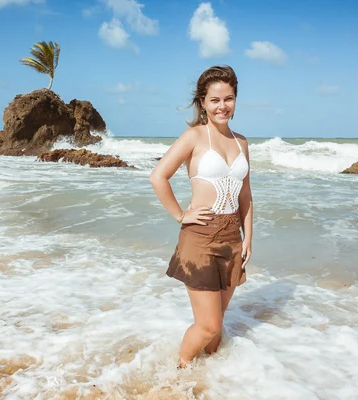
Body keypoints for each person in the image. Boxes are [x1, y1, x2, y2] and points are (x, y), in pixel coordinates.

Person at [150, 65, 253, 368]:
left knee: (216, 330)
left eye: (229, 99)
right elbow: (159, 177)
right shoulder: (194, 136)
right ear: (203, 102)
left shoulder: (242, 142)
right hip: (201, 238)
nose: (223, 106)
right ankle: (178, 372)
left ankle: (212, 382)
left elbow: (245, 195)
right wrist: (181, 215)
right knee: (207, 324)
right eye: (215, 100)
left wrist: (249, 239)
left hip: (232, 238)